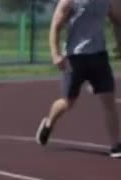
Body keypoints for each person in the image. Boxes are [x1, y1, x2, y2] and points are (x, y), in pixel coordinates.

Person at [36, 0, 121, 158]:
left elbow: (117, 20)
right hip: (75, 58)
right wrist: (55, 54)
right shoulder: (70, 1)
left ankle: (116, 145)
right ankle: (49, 124)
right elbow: (55, 27)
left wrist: (119, 43)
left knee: (109, 100)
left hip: (99, 56)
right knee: (68, 102)